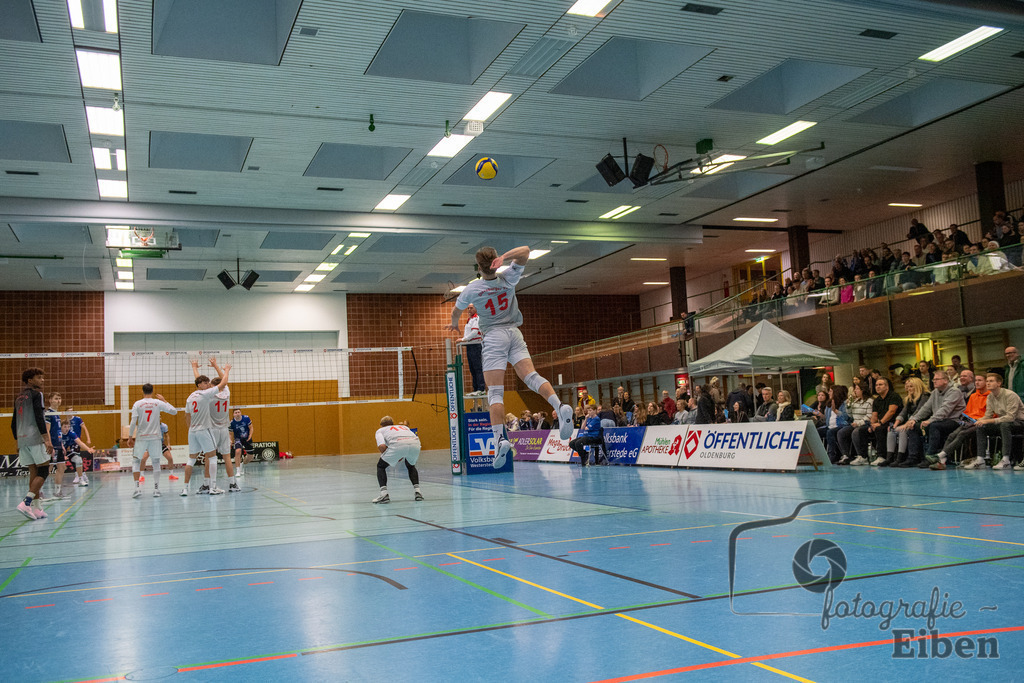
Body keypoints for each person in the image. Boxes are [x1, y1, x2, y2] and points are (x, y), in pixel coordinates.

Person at [445, 246, 574, 466]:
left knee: (495, 393)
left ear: (478, 267)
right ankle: (559, 406)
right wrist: (504, 258)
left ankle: (500, 440)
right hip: (514, 332)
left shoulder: (473, 288)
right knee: (531, 376)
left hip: (494, 336)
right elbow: (525, 251)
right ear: (495, 262)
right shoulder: (508, 277)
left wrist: (455, 323)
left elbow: (456, 311)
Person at [181, 361, 231, 496]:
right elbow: (224, 383)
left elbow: (187, 416)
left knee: (191, 459)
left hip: (192, 431)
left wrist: (194, 367)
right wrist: (226, 369)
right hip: (206, 429)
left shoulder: (190, 397)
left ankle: (185, 488)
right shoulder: (207, 394)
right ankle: (212, 487)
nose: (208, 384)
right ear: (200, 386)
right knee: (213, 457)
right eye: (205, 383)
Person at [12, 368, 55, 520]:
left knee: (34, 471)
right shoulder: (37, 395)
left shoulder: (18, 397)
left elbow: (13, 422)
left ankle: (37, 508)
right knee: (44, 470)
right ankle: (27, 502)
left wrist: (18, 440)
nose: (42, 380)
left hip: (23, 438)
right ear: (30, 380)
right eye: (39, 377)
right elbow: (39, 417)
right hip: (35, 438)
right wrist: (47, 440)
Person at [127, 383, 178, 498]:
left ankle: (137, 489)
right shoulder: (157, 403)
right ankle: (156, 489)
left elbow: (133, 422)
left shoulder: (137, 404)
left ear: (142, 391)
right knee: (156, 462)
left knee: (136, 462)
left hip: (141, 437)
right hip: (155, 437)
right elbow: (174, 411)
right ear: (152, 391)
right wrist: (164, 400)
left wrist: (130, 437)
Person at [199, 358, 240, 493]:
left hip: (212, 430)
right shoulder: (227, 393)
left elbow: (200, 384)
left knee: (209, 457)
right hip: (224, 429)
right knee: (227, 457)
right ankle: (233, 484)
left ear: (213, 386)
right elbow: (225, 380)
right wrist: (223, 369)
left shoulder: (208, 395)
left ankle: (206, 484)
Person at [974, 373, 1024, 469]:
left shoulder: (1010, 395)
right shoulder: (990, 397)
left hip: (1020, 422)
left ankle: (1006, 460)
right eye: (987, 381)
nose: (988, 383)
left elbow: (1010, 417)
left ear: (999, 383)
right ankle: (980, 459)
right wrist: (979, 420)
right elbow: (988, 415)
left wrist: (989, 421)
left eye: (991, 381)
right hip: (1004, 422)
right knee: (981, 427)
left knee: (1005, 425)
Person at [371, 416, 423, 503]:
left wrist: (395, 456)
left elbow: (382, 447)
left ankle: (384, 494)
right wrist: (399, 455)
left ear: (381, 425)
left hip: (398, 444)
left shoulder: (380, 431)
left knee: (381, 466)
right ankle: (418, 492)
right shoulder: (404, 427)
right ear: (392, 423)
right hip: (416, 444)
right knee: (410, 465)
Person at [457, 303, 486, 397]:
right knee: (472, 369)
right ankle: (476, 388)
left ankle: (481, 388)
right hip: (470, 345)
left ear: (476, 308)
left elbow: (475, 332)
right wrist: (464, 340)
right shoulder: (470, 319)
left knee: (478, 367)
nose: (469, 310)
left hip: (475, 345)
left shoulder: (477, 318)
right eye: (468, 308)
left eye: (471, 308)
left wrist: (463, 339)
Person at [44, 392, 69, 498]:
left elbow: (57, 431)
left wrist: (61, 445)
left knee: (62, 467)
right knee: (47, 469)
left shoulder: (57, 414)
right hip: (51, 445)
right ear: (50, 400)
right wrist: (49, 444)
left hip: (58, 445)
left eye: (60, 398)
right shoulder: (48, 413)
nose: (58, 400)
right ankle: (38, 492)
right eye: (56, 398)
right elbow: (47, 430)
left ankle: (58, 492)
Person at [60, 419, 94, 489]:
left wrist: (88, 449)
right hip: (57, 451)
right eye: (65, 427)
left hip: (66, 451)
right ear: (61, 427)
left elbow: (80, 443)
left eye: (68, 427)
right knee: (55, 467)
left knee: (79, 460)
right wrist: (62, 455)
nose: (67, 429)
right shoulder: (58, 433)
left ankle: (81, 479)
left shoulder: (71, 433)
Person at [230, 408, 254, 477]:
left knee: (250, 457)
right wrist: (230, 440)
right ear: (233, 414)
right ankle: (238, 471)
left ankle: (242, 464)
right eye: (236, 413)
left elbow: (251, 427)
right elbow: (230, 433)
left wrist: (250, 435)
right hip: (238, 439)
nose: (237, 414)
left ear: (240, 413)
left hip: (247, 438)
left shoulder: (246, 418)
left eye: (238, 412)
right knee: (238, 451)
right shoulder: (232, 423)